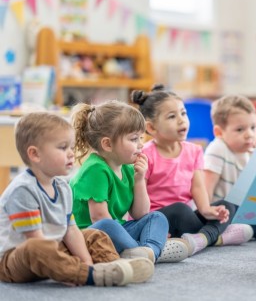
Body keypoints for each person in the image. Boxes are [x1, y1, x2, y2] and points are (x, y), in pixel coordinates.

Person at [0, 112, 154, 286]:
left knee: (93, 234)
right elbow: (36, 240)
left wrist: (86, 261)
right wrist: (83, 269)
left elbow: (71, 230)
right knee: (37, 247)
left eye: (71, 147)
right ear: (35, 154)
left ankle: (114, 266)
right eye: (62, 147)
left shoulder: (62, 186)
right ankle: (88, 275)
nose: (71, 154)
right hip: (16, 260)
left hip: (54, 248)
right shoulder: (23, 190)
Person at [131, 85, 253, 256]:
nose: (181, 120)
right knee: (180, 209)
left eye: (183, 113)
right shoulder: (144, 155)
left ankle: (202, 238)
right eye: (172, 116)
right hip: (157, 219)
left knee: (228, 204)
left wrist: (206, 209)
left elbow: (197, 187)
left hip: (187, 218)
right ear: (151, 128)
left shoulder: (194, 150)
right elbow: (137, 199)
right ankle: (218, 236)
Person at [70, 100, 189, 264]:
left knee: (156, 217)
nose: (141, 144)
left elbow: (140, 213)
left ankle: (148, 251)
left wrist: (140, 180)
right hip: (90, 235)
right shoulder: (95, 169)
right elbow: (98, 217)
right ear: (108, 144)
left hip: (119, 231)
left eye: (141, 137)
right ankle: (143, 250)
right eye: (134, 139)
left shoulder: (126, 167)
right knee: (107, 224)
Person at [203, 94, 256, 240]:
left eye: (253, 127)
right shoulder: (218, 148)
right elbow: (206, 188)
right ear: (219, 132)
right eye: (240, 130)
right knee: (229, 205)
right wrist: (206, 212)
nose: (249, 135)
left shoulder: (250, 153)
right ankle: (224, 235)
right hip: (221, 213)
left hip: (241, 211)